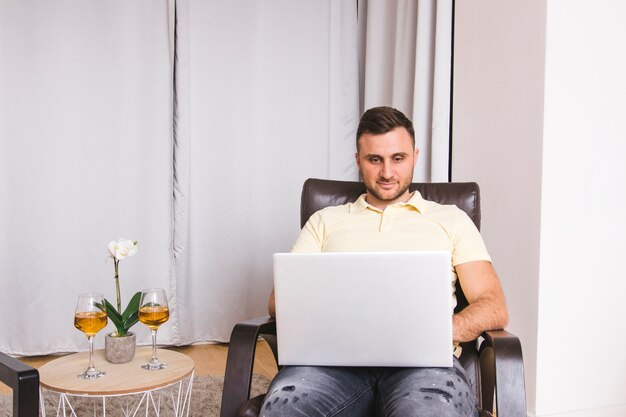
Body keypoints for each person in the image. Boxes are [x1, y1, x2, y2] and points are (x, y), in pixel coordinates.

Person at [263, 106, 509, 417]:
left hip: (425, 368)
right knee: (284, 411)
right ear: (358, 161)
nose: (387, 173)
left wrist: (444, 328)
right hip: (331, 365)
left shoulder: (452, 220)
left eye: (398, 158)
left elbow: (494, 306)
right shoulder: (324, 221)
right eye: (374, 160)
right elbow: (278, 302)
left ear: (415, 157)